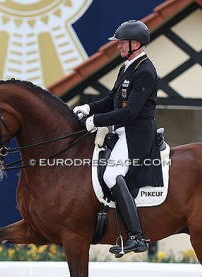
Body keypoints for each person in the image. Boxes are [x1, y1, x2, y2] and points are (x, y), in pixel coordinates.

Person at [73, 20, 163, 255]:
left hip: (137, 135)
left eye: (122, 43)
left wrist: (96, 121)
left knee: (112, 173)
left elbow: (130, 112)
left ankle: (136, 236)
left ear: (135, 43)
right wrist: (88, 109)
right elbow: (111, 100)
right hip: (122, 131)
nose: (118, 47)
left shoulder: (146, 71)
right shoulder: (127, 67)